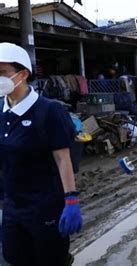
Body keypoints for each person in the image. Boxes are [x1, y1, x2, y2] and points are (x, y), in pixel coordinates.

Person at [0, 42, 82, 265]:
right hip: (12, 208)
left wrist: (71, 200)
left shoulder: (48, 111)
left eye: (2, 72)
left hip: (45, 208)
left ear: (23, 74)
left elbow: (63, 157)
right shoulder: (0, 111)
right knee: (14, 257)